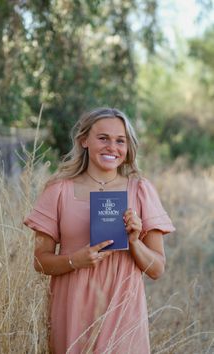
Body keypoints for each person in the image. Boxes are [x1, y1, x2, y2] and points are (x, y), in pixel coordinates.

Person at [24, 107, 175, 354]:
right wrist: (75, 260)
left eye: (120, 141)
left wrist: (135, 242)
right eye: (103, 138)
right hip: (71, 309)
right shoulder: (58, 190)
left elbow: (157, 269)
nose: (111, 147)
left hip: (123, 310)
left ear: (128, 147)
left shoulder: (140, 190)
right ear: (84, 140)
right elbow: (40, 262)